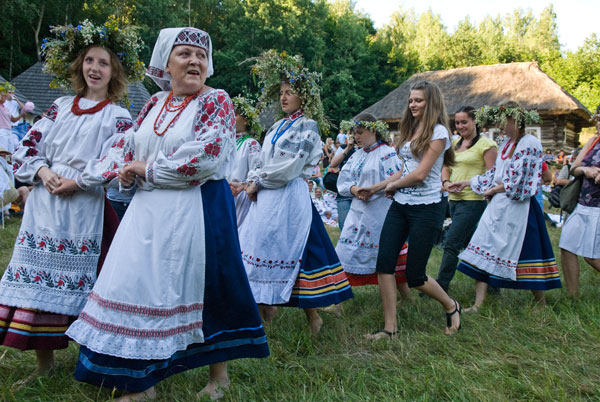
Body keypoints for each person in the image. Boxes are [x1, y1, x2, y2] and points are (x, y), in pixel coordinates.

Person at [65, 27, 269, 401]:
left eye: (201, 56)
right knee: (141, 286)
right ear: (166, 63)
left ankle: (218, 376)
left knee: (210, 287)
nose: (194, 61)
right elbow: (127, 148)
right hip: (148, 210)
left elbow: (206, 156)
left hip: (202, 206)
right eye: (185, 54)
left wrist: (146, 169)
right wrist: (104, 175)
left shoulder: (216, 100)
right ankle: (143, 379)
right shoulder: (153, 103)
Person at [0, 20, 141, 381]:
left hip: (84, 206)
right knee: (40, 283)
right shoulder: (60, 106)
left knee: (94, 284)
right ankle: (43, 367)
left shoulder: (118, 116)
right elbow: (28, 145)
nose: (95, 68)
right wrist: (44, 174)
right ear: (81, 65)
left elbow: (115, 158)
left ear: (115, 72)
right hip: (45, 204)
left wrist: (78, 181)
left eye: (104, 63)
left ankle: (96, 362)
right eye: (90, 60)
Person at [239, 50, 353, 335]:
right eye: (281, 92)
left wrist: (258, 182)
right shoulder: (276, 125)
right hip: (265, 200)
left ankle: (313, 316)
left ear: (304, 97)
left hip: (289, 197)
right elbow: (264, 161)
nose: (284, 97)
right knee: (261, 250)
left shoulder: (308, 127)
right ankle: (266, 319)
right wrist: (255, 180)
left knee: (295, 254)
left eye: (290, 92)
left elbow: (290, 167)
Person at [357, 81, 460, 338]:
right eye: (411, 100)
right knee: (384, 265)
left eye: (419, 100)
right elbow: (405, 169)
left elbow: (422, 174)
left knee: (415, 276)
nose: (413, 104)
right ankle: (390, 328)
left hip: (428, 207)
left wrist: (394, 185)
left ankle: (450, 305)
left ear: (431, 102)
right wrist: (380, 187)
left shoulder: (439, 133)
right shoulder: (411, 129)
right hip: (401, 205)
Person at [454, 102, 561, 312]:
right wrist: (468, 183)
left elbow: (523, 181)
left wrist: (495, 190)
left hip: (520, 209)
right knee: (485, 247)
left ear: (516, 120)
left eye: (505, 122)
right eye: (499, 123)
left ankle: (541, 303)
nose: (501, 127)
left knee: (529, 252)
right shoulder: (505, 144)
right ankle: (478, 304)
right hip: (499, 208)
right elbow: (494, 174)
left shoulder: (530, 143)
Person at [335, 114, 410, 295]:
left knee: (388, 257)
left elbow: (399, 176)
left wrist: (373, 189)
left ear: (373, 130)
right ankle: (339, 302)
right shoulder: (356, 155)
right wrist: (354, 189)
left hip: (380, 213)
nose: (357, 137)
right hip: (357, 212)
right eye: (354, 133)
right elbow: (343, 180)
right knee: (344, 254)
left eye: (360, 132)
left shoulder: (387, 153)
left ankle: (407, 297)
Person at [436, 106, 497, 293]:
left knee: (451, 242)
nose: (460, 126)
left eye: (464, 122)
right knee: (474, 244)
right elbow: (445, 166)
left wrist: (467, 183)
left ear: (474, 122)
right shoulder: (454, 144)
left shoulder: (487, 145)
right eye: (457, 122)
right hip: (453, 200)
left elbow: (492, 175)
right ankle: (492, 284)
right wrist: (446, 182)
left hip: (473, 201)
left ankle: (440, 286)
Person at [559, 108, 600, 297]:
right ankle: (572, 297)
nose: (598, 123)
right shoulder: (593, 141)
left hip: (598, 208)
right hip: (583, 204)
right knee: (567, 246)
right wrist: (585, 171)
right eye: (597, 119)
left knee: (592, 257)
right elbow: (573, 167)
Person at [228, 95, 262, 228]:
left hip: (242, 197)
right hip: (226, 194)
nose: (231, 118)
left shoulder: (251, 144)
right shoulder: (226, 143)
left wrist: (242, 185)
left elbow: (257, 171)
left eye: (235, 115)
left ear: (246, 121)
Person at [0, 83, 26, 153]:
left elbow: (13, 119)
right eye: (4, 96)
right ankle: (3, 163)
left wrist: (21, 115)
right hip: (2, 130)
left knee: (11, 149)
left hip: (10, 130)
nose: (5, 97)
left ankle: (9, 163)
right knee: (4, 150)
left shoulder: (6, 108)